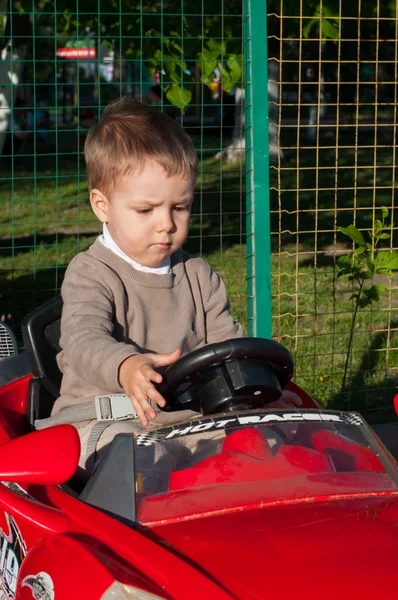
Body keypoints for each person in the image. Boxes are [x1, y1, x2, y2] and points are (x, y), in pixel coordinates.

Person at [39, 96, 301, 472]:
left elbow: (228, 349)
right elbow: (83, 341)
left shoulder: (198, 275)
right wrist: (126, 366)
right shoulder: (91, 273)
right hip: (104, 422)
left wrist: (259, 394)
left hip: (185, 420)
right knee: (139, 460)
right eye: (146, 210)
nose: (166, 223)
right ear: (102, 205)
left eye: (179, 207)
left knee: (263, 444)